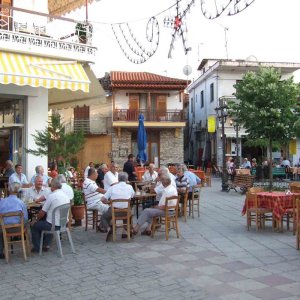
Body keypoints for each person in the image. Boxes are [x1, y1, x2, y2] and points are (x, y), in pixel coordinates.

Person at [30, 178, 70, 253]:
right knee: (50, 220)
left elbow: (42, 212)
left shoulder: (52, 196)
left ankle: (37, 248)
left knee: (34, 224)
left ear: (53, 186)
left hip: (53, 226)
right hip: (63, 224)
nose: (50, 188)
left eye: (51, 186)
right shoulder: (66, 196)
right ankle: (46, 244)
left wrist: (35, 220)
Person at [100, 172, 135, 241]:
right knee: (129, 212)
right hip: (126, 212)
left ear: (118, 179)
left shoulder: (112, 187)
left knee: (103, 217)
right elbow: (132, 196)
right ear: (127, 179)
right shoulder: (130, 187)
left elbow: (102, 199)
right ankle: (127, 229)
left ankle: (109, 229)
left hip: (114, 212)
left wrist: (109, 202)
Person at [0, 183, 28, 259]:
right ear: (18, 192)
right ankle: (26, 246)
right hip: (19, 228)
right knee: (27, 223)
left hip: (4, 229)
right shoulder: (21, 203)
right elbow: (25, 218)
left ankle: (1, 251)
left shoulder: (2, 202)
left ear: (8, 190)